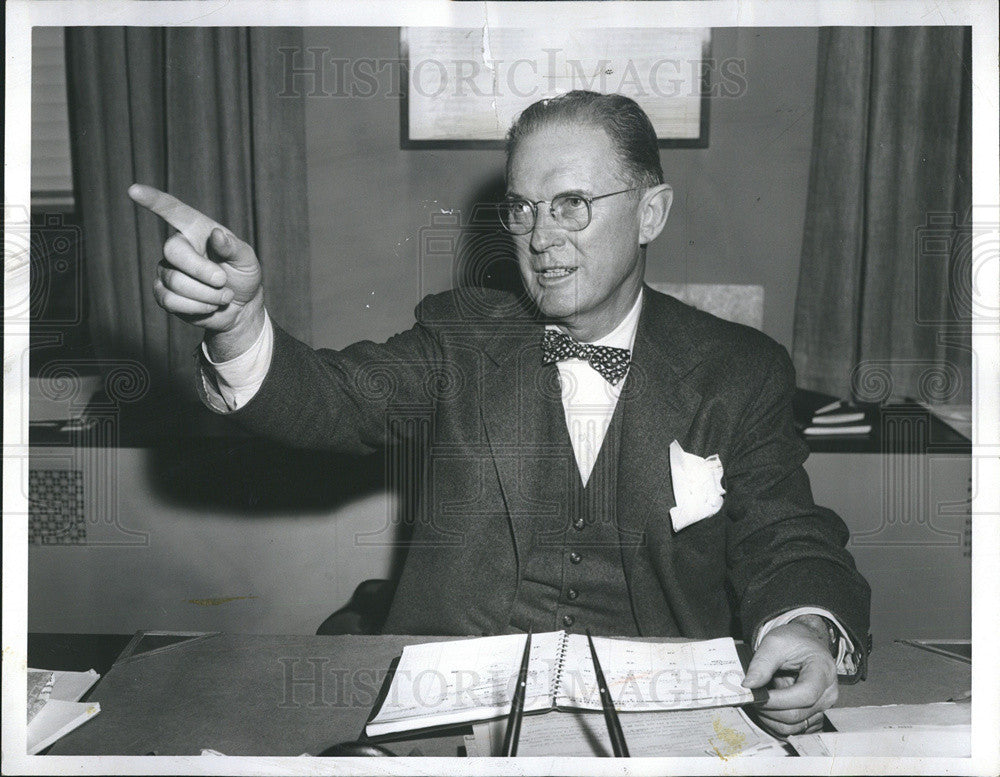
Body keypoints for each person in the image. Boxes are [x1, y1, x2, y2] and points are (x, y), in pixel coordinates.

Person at [129, 90, 870, 737]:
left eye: (572, 204)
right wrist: (239, 324)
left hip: (660, 724)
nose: (541, 238)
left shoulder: (738, 369)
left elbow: (789, 535)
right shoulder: (463, 336)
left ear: (652, 212)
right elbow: (333, 398)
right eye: (523, 208)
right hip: (454, 715)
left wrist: (804, 621)